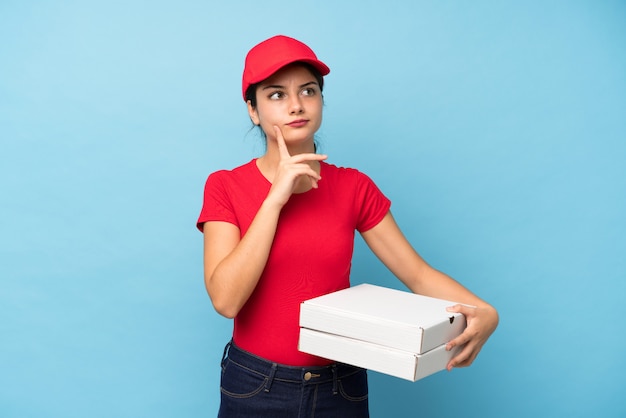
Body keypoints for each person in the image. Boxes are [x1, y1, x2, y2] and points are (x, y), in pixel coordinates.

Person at [197, 35, 499, 418]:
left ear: (320, 101)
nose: (295, 105)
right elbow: (226, 300)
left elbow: (419, 274)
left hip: (340, 387)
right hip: (258, 385)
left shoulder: (353, 187)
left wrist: (484, 310)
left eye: (308, 91)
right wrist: (275, 198)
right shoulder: (225, 186)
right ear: (253, 110)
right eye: (276, 95)